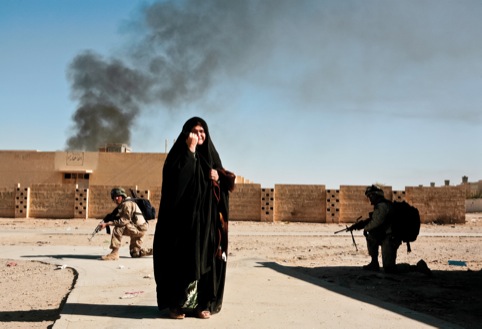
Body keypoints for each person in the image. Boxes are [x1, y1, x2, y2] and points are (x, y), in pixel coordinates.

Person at [153, 117, 234, 320]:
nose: (199, 135)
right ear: (187, 134)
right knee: (181, 262)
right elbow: (175, 184)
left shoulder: (210, 156)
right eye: (195, 131)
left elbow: (227, 182)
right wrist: (189, 152)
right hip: (182, 224)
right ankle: (177, 305)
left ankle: (203, 304)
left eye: (202, 131)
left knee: (207, 262)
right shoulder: (178, 156)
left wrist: (219, 177)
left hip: (207, 224)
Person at [351, 185, 431, 276]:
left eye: (370, 196)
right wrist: (362, 226)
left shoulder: (382, 206)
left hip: (391, 238)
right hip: (387, 236)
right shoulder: (383, 205)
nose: (369, 199)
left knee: (390, 269)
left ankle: (417, 267)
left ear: (376, 195)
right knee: (371, 236)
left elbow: (376, 222)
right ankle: (374, 263)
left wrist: (365, 228)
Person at [98, 187, 153, 260]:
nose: (116, 199)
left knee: (118, 228)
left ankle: (114, 253)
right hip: (140, 228)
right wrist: (105, 221)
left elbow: (124, 221)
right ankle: (155, 251)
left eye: (118, 196)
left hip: (139, 228)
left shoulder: (127, 204)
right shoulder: (124, 204)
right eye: (114, 197)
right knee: (135, 253)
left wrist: (107, 224)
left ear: (122, 196)